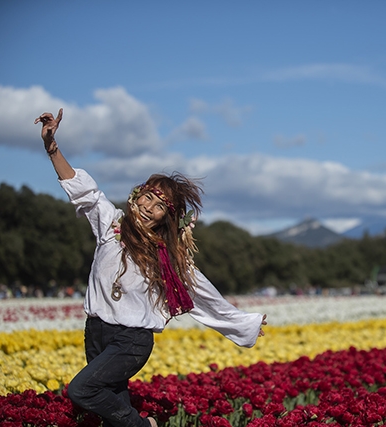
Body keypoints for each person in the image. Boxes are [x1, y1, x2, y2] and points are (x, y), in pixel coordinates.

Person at [35, 109, 267, 427]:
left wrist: (242, 323)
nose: (149, 208)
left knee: (81, 390)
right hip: (96, 332)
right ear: (137, 195)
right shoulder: (112, 224)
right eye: (148, 198)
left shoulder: (165, 258)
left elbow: (201, 293)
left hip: (131, 341)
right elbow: (83, 191)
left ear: (165, 218)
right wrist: (52, 146)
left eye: (159, 207)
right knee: (112, 411)